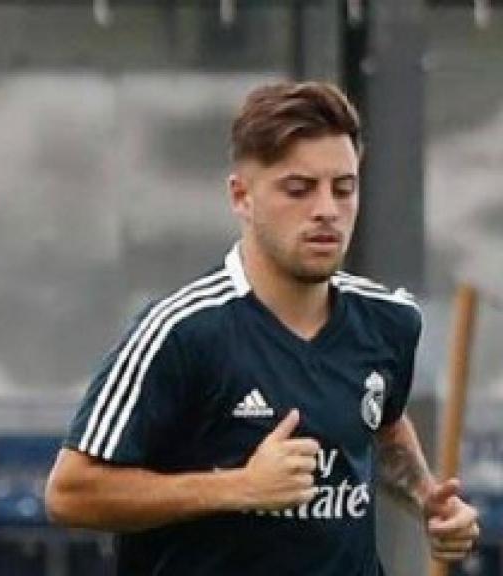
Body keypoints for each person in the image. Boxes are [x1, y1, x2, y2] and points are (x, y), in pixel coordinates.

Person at [45, 81, 479, 575]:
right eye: (298, 189)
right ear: (241, 197)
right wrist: (239, 487)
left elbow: (382, 424)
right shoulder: (184, 331)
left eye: (344, 188)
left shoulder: (389, 322)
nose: (326, 210)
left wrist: (427, 498)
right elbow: (71, 492)